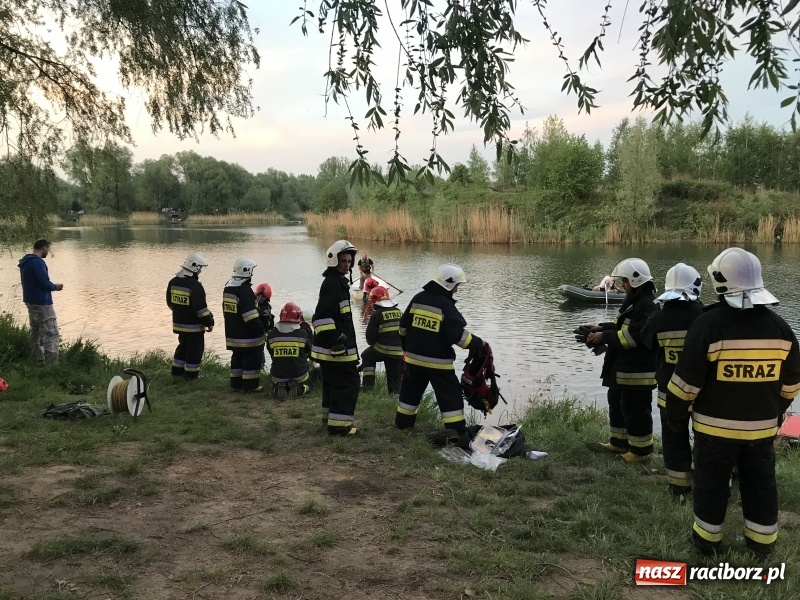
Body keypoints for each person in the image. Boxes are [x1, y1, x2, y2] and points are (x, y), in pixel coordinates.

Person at [665, 248, 800, 556]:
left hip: (714, 432)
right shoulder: (781, 328)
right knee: (760, 485)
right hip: (761, 432)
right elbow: (792, 383)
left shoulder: (708, 325)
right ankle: (762, 545)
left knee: (711, 485)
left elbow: (686, 383)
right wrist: (775, 412)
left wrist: (675, 414)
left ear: (719, 281)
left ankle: (707, 543)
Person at [395, 264, 485, 435]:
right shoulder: (445, 304)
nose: (457, 290)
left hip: (413, 360)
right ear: (449, 284)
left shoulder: (418, 298)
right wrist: (479, 344)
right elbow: (459, 336)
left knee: (409, 393)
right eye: (457, 285)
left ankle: (403, 425)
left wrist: (407, 348)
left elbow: (402, 328)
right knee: (450, 397)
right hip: (439, 363)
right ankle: (456, 431)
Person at [585, 258, 658, 463]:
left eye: (625, 281)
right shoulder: (633, 300)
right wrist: (600, 327)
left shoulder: (648, 306)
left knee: (636, 410)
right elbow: (619, 325)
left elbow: (635, 337)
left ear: (635, 281)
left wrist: (604, 337)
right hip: (623, 368)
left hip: (637, 371)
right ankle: (619, 442)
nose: (622, 285)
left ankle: (640, 452)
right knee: (617, 403)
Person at [641, 263, 705, 498]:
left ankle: (678, 486)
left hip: (669, 392)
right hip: (703, 393)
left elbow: (647, 343)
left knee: (673, 438)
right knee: (706, 440)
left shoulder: (658, 318)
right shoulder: (705, 316)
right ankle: (708, 482)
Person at [311, 240, 361, 436]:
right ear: (333, 260)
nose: (347, 265)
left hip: (333, 347)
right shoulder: (333, 284)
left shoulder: (338, 283)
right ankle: (340, 427)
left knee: (332, 383)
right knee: (348, 383)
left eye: (349, 261)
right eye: (343, 261)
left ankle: (329, 419)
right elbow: (321, 317)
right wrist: (336, 339)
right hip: (336, 349)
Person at [166, 253, 214, 379]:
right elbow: (201, 310)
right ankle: (191, 376)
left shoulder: (173, 282)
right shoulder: (195, 286)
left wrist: (180, 312)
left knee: (182, 347)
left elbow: (170, 303)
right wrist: (209, 322)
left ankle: (177, 372)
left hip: (179, 325)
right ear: (195, 267)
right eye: (200, 269)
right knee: (195, 350)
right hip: (194, 327)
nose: (200, 271)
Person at [223, 257, 265, 392]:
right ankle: (250, 385)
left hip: (233, 333)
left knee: (237, 358)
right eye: (252, 271)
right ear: (247, 271)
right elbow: (250, 316)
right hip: (247, 336)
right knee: (251, 359)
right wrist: (260, 330)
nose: (252, 274)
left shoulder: (228, 288)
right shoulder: (245, 291)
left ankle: (236, 384)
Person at [18, 239, 64, 363]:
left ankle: (39, 360)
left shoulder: (25, 262)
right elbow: (43, 283)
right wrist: (55, 287)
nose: (48, 252)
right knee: (51, 332)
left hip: (30, 300)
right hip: (42, 302)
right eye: (48, 249)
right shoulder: (38, 262)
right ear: (43, 248)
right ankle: (51, 365)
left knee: (37, 330)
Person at [361, 286, 404, 394]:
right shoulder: (399, 312)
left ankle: (368, 386)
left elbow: (370, 339)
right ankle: (394, 397)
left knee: (366, 355)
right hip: (399, 352)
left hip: (382, 349)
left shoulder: (377, 314)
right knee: (394, 378)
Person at [267, 302, 315, 399]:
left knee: (277, 379)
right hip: (299, 375)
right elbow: (308, 352)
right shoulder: (302, 334)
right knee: (309, 384)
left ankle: (277, 388)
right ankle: (300, 388)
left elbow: (271, 352)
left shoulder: (272, 334)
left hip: (278, 375)